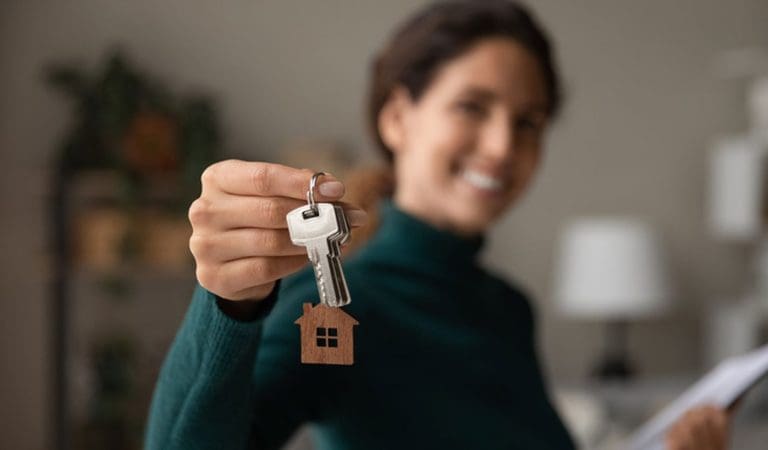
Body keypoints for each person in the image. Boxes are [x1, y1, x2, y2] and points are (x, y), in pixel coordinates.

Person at [144, 1, 734, 449]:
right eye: (472, 107)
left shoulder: (506, 308)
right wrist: (229, 306)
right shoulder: (337, 308)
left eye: (527, 122)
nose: (503, 146)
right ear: (399, 117)